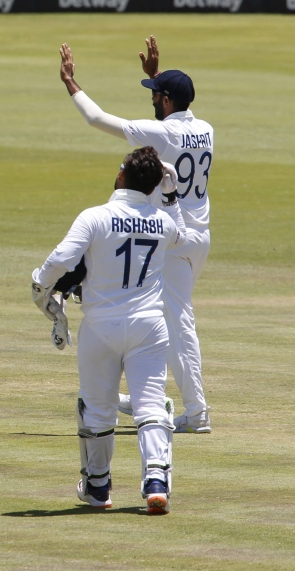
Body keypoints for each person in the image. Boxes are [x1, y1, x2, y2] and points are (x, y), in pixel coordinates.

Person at [59, 37, 213, 434]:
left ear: (164, 101)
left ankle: (195, 413)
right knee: (160, 316)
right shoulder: (205, 130)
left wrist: (70, 83)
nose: (153, 100)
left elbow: (97, 119)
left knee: (177, 323)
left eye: (155, 95)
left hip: (174, 241)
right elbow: (173, 114)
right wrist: (159, 78)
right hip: (194, 236)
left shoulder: (160, 134)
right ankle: (150, 396)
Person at [32, 147, 190, 514]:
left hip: (100, 325)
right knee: (151, 404)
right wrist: (169, 194)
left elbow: (60, 260)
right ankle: (157, 482)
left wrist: (41, 284)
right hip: (149, 326)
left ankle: (98, 487)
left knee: (97, 407)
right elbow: (182, 235)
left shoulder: (95, 216)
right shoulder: (163, 222)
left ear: (121, 176)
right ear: (152, 186)